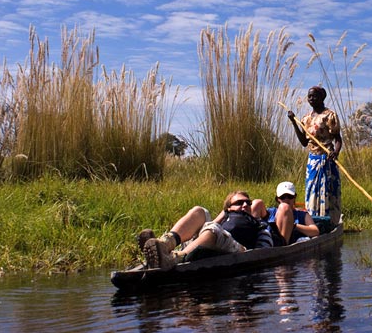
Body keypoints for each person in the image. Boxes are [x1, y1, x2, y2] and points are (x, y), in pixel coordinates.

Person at [139, 190, 273, 271]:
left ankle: (173, 259)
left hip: (239, 248)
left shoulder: (257, 224)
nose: (245, 205)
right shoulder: (223, 218)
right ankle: (164, 244)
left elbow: (265, 250)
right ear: (228, 208)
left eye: (248, 203)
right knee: (200, 211)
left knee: (213, 229)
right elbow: (208, 228)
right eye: (239, 203)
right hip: (210, 240)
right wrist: (223, 215)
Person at [287, 86, 343, 225]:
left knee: (328, 190)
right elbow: (304, 142)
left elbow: (338, 139)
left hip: (327, 158)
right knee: (312, 190)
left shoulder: (329, 116)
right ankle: (314, 221)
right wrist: (294, 122)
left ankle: (330, 222)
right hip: (313, 160)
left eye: (314, 96)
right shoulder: (306, 118)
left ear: (322, 98)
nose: (311, 99)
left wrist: (335, 152)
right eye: (309, 96)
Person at [264, 181, 320, 246]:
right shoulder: (270, 212)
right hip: (269, 246)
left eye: (290, 196)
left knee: (284, 207)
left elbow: (315, 231)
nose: (286, 200)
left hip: (290, 248)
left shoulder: (302, 215)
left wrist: (294, 226)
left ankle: (282, 245)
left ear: (294, 197)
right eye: (283, 197)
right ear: (277, 199)